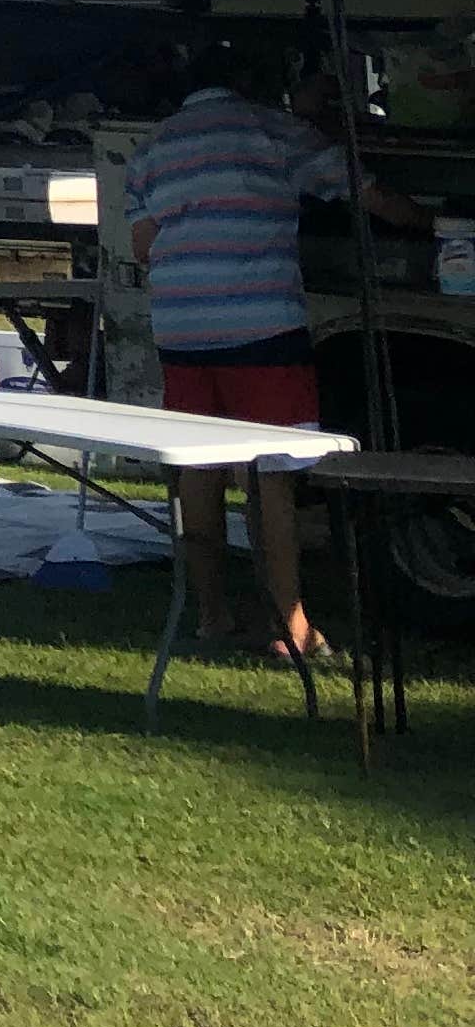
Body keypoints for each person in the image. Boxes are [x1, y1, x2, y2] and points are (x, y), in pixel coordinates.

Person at [124, 45, 426, 659]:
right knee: (272, 475)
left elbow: (140, 244)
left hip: (181, 327)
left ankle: (211, 614)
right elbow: (364, 192)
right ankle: (289, 626)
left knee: (198, 471)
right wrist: (429, 223)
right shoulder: (275, 131)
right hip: (261, 326)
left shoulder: (156, 145)